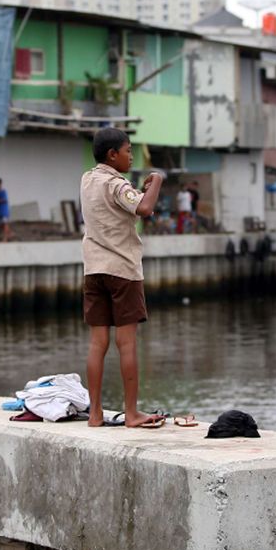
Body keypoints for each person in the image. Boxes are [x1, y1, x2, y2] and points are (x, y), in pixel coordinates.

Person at [81, 128, 166, 429]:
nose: (131, 156)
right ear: (112, 155)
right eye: (128, 150)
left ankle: (95, 414)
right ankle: (131, 413)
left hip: (94, 270)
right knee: (126, 344)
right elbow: (144, 207)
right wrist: (156, 181)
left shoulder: (88, 180)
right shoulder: (116, 184)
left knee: (97, 343)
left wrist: (139, 190)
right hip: (123, 271)